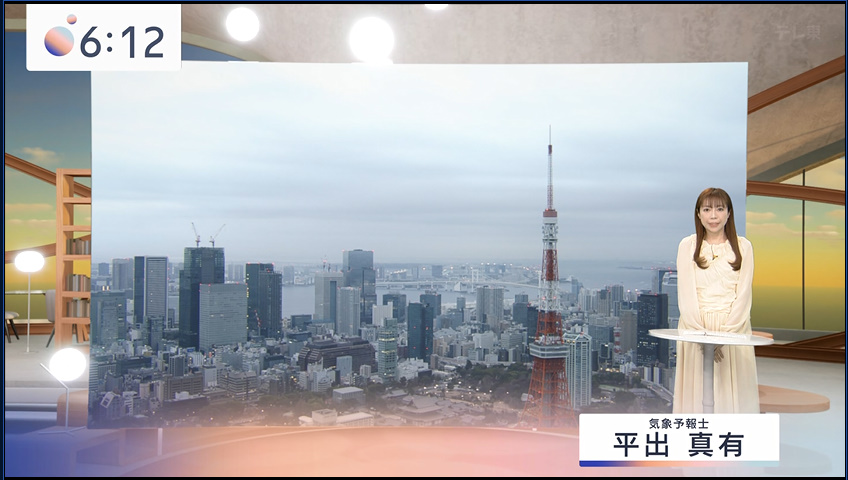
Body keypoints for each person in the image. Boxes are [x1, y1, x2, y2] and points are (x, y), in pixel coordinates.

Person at [673, 187, 760, 414]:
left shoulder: (743, 246)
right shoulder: (687, 246)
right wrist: (702, 336)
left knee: (733, 396)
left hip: (734, 328)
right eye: (707, 209)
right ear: (698, 214)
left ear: (729, 213)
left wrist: (726, 335)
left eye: (720, 209)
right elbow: (686, 295)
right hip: (695, 329)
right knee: (698, 397)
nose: (713, 216)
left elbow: (744, 295)